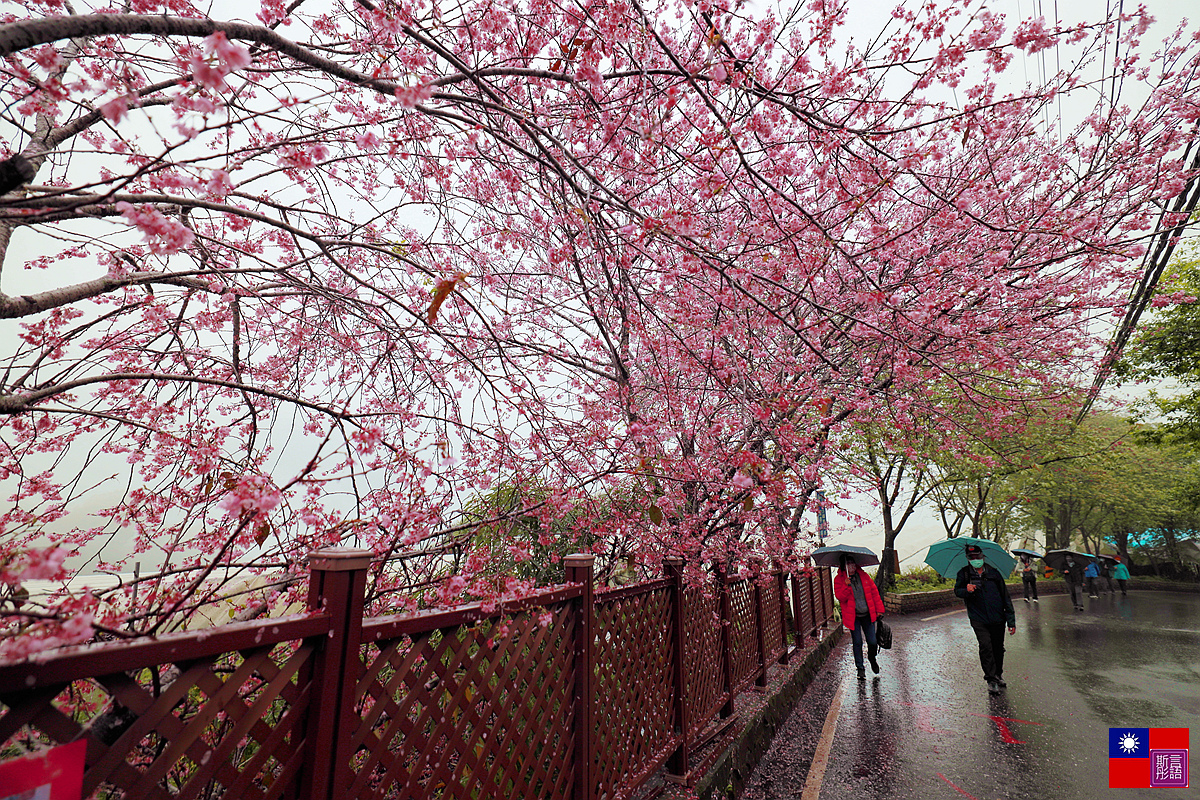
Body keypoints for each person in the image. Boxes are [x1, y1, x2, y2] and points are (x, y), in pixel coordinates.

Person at [954, 543, 1016, 694]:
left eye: (977, 557)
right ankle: (991, 680)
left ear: (983, 556)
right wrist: (966, 590)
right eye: (972, 557)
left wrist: (1011, 620)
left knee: (998, 648)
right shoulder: (964, 574)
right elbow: (957, 591)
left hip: (997, 618)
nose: (975, 559)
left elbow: (1005, 597)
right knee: (986, 646)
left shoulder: (994, 573)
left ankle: (998, 674)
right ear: (968, 559)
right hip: (978, 618)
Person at [833, 554, 886, 680]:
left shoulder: (864, 576)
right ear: (843, 566)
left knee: (872, 642)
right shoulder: (839, 579)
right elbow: (840, 597)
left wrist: (879, 610)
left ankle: (872, 658)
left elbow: (874, 592)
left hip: (867, 614)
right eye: (848, 564)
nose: (852, 566)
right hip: (853, 616)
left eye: (853, 563)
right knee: (857, 642)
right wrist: (846, 585)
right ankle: (860, 668)